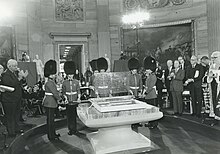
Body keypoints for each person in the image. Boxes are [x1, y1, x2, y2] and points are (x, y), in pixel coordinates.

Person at [1, 59, 23, 137]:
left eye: (16, 66)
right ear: (9, 66)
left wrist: (22, 77)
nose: (16, 67)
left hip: (16, 98)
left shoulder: (14, 73)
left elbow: (19, 84)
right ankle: (11, 131)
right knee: (10, 116)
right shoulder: (6, 75)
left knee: (16, 115)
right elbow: (10, 84)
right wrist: (19, 79)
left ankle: (16, 128)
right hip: (9, 99)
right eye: (14, 66)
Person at [42, 60, 62, 141]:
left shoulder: (50, 82)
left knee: (51, 120)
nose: (55, 75)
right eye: (54, 74)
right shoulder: (50, 83)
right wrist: (60, 99)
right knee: (50, 121)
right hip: (50, 103)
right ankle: (51, 135)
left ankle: (52, 134)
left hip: (50, 102)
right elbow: (55, 93)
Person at [62, 61, 81, 136]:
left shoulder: (76, 82)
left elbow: (78, 91)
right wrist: (65, 98)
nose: (70, 76)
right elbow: (63, 92)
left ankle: (75, 129)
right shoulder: (64, 82)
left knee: (74, 116)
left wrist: (79, 98)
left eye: (71, 74)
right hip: (68, 102)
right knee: (69, 117)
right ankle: (70, 129)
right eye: (69, 74)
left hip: (74, 101)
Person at [142, 56, 158, 129]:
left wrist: (146, 92)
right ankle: (150, 122)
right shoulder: (148, 76)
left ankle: (154, 123)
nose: (146, 70)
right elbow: (147, 85)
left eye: (147, 69)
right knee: (149, 110)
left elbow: (151, 86)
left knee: (153, 110)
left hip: (152, 95)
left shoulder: (153, 76)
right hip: (148, 95)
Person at [207, 51, 220, 125]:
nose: (213, 59)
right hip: (213, 84)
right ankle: (215, 114)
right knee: (214, 99)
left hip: (218, 84)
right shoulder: (212, 65)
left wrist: (216, 75)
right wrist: (211, 75)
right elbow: (209, 75)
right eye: (212, 58)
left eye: (215, 58)